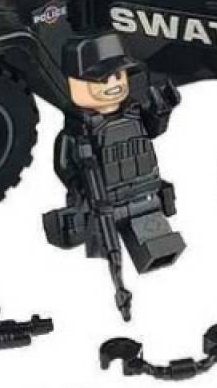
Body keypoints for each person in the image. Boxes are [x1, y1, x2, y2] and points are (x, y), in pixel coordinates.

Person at [42, 32, 184, 320]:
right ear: (74, 84)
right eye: (102, 80)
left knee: (159, 245)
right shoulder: (78, 132)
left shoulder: (133, 114)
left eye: (118, 77)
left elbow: (153, 130)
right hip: (101, 203)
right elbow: (64, 166)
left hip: (143, 196)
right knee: (101, 244)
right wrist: (83, 188)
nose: (113, 85)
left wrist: (163, 107)